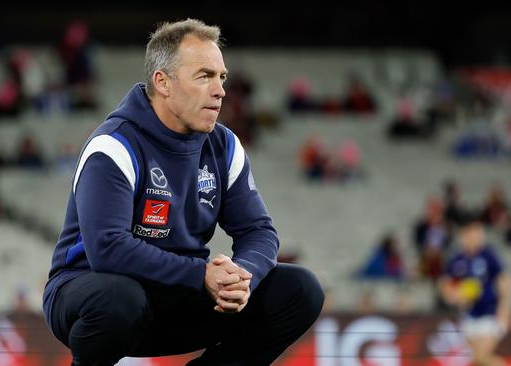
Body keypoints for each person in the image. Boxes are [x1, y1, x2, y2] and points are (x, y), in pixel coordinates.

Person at [42, 19, 324, 366]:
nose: (220, 90)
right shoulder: (114, 145)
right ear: (163, 83)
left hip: (181, 291)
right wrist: (201, 275)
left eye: (221, 77)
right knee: (119, 299)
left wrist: (241, 277)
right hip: (92, 291)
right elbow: (107, 249)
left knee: (300, 290)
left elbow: (258, 231)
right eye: (204, 76)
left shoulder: (224, 146)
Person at [438, 216, 510, 366]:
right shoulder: (457, 259)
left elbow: (504, 283)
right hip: (469, 317)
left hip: (489, 315)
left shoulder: (488, 256)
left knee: (482, 357)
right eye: (474, 232)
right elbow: (445, 286)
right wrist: (454, 295)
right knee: (477, 362)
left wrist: (504, 310)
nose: (478, 236)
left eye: (480, 232)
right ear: (465, 234)